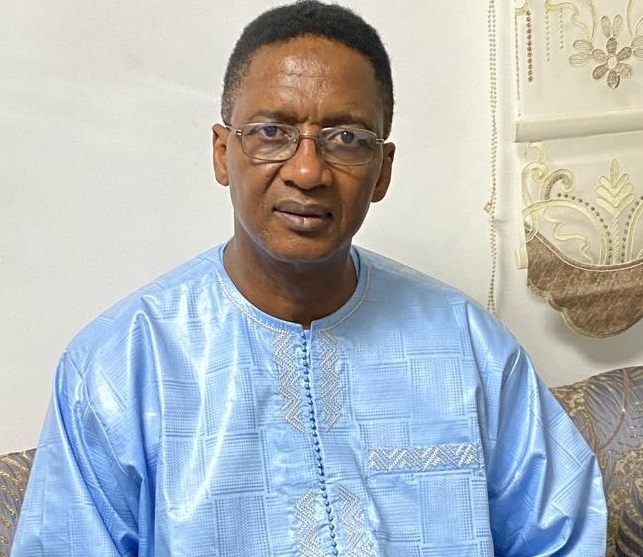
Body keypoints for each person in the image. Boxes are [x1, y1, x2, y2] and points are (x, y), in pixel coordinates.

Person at [12, 1, 606, 556]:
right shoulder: (117, 368)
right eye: (272, 132)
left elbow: (564, 536)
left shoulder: (468, 347)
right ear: (222, 153)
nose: (306, 170)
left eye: (345, 138)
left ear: (381, 171)